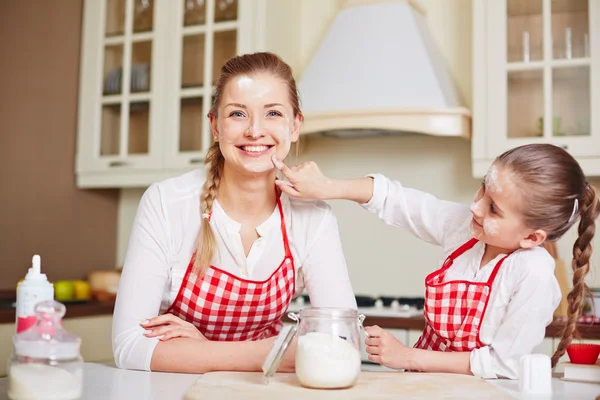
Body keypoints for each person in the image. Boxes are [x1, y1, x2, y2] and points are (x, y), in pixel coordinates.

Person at [112, 52, 356, 373]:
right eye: (238, 114)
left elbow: (344, 340)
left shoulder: (313, 218)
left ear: (295, 126)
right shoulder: (166, 203)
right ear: (215, 126)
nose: (255, 131)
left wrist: (203, 350)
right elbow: (129, 345)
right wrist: (271, 352)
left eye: (273, 113)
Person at [272, 143, 600, 379]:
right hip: (423, 384)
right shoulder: (465, 228)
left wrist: (405, 355)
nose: (476, 207)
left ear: (532, 238)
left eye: (494, 209)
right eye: (481, 190)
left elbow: (503, 364)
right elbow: (395, 200)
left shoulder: (534, 274)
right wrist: (326, 187)